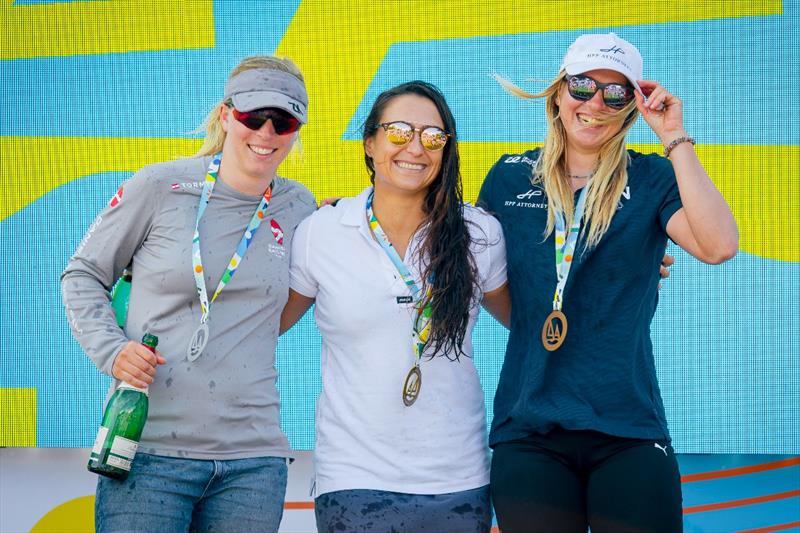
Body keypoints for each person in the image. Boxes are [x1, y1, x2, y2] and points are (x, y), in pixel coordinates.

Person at [479, 33, 738, 532]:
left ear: (630, 108)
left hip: (627, 428)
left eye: (615, 93)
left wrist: (675, 136)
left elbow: (718, 245)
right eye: (582, 86)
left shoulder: (652, 177)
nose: (594, 103)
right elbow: (464, 261)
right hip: (530, 427)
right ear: (559, 92)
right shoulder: (510, 178)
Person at [61, 56, 316, 532]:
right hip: (148, 452)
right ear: (225, 116)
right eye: (251, 116)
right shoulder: (160, 185)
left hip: (254, 463)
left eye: (282, 121)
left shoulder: (299, 205)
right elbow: (82, 275)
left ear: (296, 130)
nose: (265, 132)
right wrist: (112, 351)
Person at [280, 81, 511, 532]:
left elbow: (532, 324)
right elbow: (263, 325)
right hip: (352, 478)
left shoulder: (479, 233)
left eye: (433, 136)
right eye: (400, 131)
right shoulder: (321, 232)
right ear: (370, 142)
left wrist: (632, 267)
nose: (417, 148)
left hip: (457, 478)